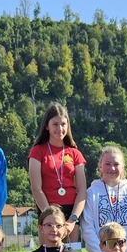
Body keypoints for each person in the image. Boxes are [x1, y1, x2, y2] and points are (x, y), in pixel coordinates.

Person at [28, 103, 87, 243]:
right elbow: (36, 188)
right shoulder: (37, 151)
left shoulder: (75, 153)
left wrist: (73, 219)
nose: (59, 129)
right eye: (55, 124)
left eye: (63, 124)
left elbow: (82, 190)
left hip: (70, 214)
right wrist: (49, 217)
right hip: (47, 209)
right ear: (47, 126)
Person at [81, 145, 127, 252]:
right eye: (107, 164)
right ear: (100, 166)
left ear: (123, 167)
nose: (112, 168)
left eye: (116, 164)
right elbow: (88, 228)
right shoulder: (91, 193)